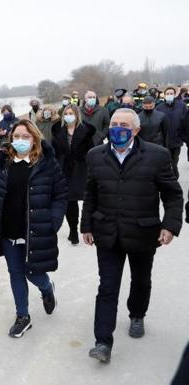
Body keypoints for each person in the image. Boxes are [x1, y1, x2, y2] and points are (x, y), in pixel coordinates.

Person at [81, 108, 184, 363]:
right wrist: (86, 226)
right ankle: (102, 342)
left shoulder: (157, 156)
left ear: (136, 130)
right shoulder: (96, 155)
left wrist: (169, 225)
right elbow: (91, 193)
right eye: (114, 123)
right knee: (107, 287)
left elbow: (173, 194)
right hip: (107, 233)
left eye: (124, 124)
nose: (118, 128)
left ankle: (137, 314)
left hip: (142, 232)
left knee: (140, 280)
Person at [0, 119, 68, 338]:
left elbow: (61, 194)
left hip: (36, 230)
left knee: (33, 272)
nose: (20, 140)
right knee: (16, 273)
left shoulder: (46, 162)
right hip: (8, 231)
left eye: (26, 136)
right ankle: (23, 316)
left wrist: (54, 221)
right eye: (17, 136)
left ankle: (47, 287)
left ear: (35, 138)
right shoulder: (3, 161)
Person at [52, 105, 95, 245]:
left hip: (81, 169)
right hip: (63, 169)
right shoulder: (58, 130)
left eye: (71, 113)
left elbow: (92, 151)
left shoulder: (86, 131)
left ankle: (87, 227)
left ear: (77, 115)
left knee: (85, 198)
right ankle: (73, 230)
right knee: (69, 200)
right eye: (66, 113)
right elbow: (55, 152)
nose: (68, 116)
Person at [156, 86, 188, 178]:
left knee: (174, 160)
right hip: (163, 141)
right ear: (164, 95)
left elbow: (186, 122)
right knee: (166, 161)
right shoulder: (159, 108)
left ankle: (173, 177)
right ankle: (173, 178)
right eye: (167, 94)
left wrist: (184, 137)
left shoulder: (181, 106)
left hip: (177, 140)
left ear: (174, 95)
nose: (169, 95)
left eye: (171, 94)